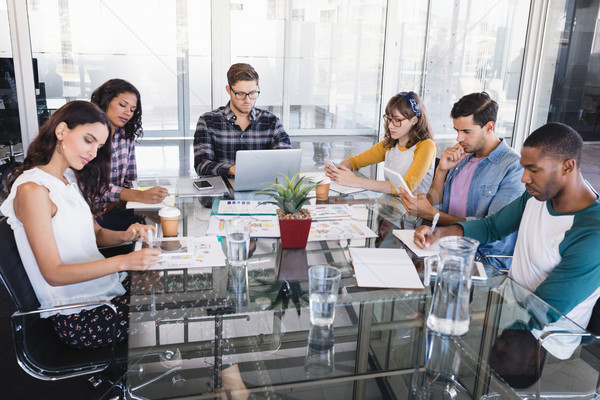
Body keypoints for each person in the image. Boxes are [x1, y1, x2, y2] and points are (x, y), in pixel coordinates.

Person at [414, 122, 600, 347]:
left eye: (534, 169)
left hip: (543, 341)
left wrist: (469, 315)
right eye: (524, 168)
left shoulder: (592, 234)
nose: (524, 178)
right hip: (508, 311)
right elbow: (493, 227)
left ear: (567, 167)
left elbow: (541, 311)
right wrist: (440, 234)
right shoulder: (537, 196)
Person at [0, 101, 161, 349]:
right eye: (88, 140)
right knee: (192, 300)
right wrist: (125, 261)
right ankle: (228, 382)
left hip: (103, 293)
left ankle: (219, 376)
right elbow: (53, 274)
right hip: (81, 317)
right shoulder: (33, 190)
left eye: (98, 146)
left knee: (183, 284)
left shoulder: (67, 179)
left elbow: (96, 235)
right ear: (62, 130)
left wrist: (127, 235)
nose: (93, 153)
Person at [399, 92, 523, 268]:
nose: (459, 138)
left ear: (489, 127)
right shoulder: (461, 157)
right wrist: (441, 171)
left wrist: (432, 215)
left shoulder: (514, 167)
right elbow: (435, 205)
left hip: (482, 261)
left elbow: (494, 230)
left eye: (466, 131)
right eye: (457, 131)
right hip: (442, 249)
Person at [91, 79, 169, 230]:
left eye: (132, 109)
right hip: (90, 215)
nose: (128, 113)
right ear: (105, 101)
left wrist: (137, 204)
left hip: (116, 208)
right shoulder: (89, 137)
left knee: (154, 223)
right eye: (122, 105)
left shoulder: (126, 135)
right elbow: (92, 186)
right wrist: (137, 196)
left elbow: (130, 178)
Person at [325, 91, 436, 195]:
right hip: (391, 209)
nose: (390, 125)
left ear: (414, 120)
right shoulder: (389, 144)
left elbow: (405, 187)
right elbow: (354, 162)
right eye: (389, 119)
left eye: (397, 120)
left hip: (414, 212)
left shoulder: (426, 146)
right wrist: (339, 171)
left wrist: (355, 181)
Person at [193, 63, 292, 177]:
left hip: (262, 189)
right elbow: (201, 165)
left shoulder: (271, 121)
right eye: (240, 94)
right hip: (224, 190)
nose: (247, 100)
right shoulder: (208, 121)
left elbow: (286, 160)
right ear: (229, 90)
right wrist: (231, 169)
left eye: (252, 93)